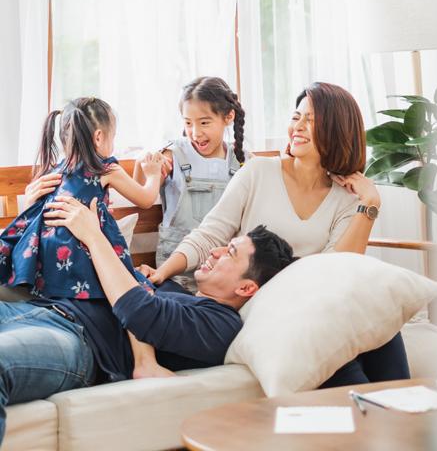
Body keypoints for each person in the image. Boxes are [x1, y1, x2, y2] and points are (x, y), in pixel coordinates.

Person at [138, 81, 410, 387]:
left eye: (311, 120)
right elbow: (209, 235)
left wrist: (369, 204)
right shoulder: (258, 172)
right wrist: (163, 272)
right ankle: (371, 406)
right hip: (255, 305)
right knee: (336, 341)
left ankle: (401, 406)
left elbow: (338, 270)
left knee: (381, 321)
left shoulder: (347, 198)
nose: (298, 126)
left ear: (337, 129)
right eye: (296, 117)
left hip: (306, 306)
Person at [0, 194, 296, 444]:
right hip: (39, 310)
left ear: (246, 288)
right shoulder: (173, 289)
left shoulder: (219, 324)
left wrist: (93, 235)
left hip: (80, 341)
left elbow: (139, 312)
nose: (215, 251)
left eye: (230, 253)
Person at [0, 96, 170, 378]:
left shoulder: (55, 170)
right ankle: (145, 363)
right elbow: (145, 198)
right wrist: (153, 174)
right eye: (113, 137)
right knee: (135, 289)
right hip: (84, 250)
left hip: (50, 260)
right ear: (99, 137)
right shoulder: (106, 168)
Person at [133, 77, 247, 292]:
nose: (195, 132)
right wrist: (143, 165)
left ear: (228, 117)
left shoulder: (243, 162)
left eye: (204, 123)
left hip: (221, 276)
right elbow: (142, 197)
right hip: (173, 275)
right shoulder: (173, 154)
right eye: (188, 123)